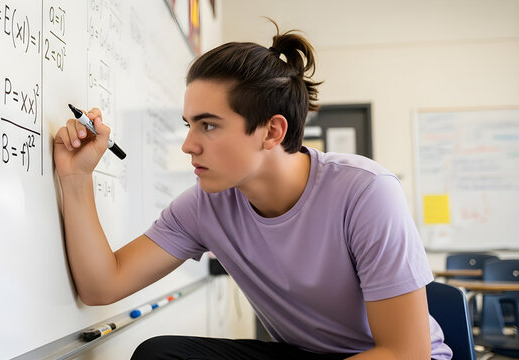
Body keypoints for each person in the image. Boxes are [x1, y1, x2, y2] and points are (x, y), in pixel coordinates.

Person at [53, 21, 453, 360]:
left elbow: (405, 352)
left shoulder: (366, 192)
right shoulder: (205, 205)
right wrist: (76, 179)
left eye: (208, 125)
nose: (188, 145)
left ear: (272, 131)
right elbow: (102, 285)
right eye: (189, 124)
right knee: (159, 354)